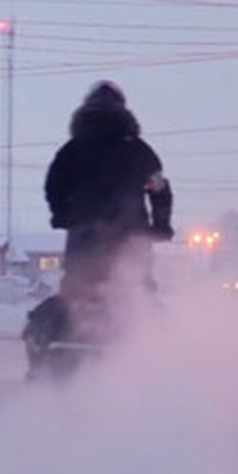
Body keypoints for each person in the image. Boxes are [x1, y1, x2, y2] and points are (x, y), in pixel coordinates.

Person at [24, 81, 173, 372]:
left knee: (74, 293)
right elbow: (160, 190)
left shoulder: (72, 149)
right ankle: (156, 353)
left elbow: (53, 185)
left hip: (83, 236)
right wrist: (161, 226)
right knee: (141, 294)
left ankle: (54, 353)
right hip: (132, 237)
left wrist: (62, 215)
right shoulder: (139, 150)